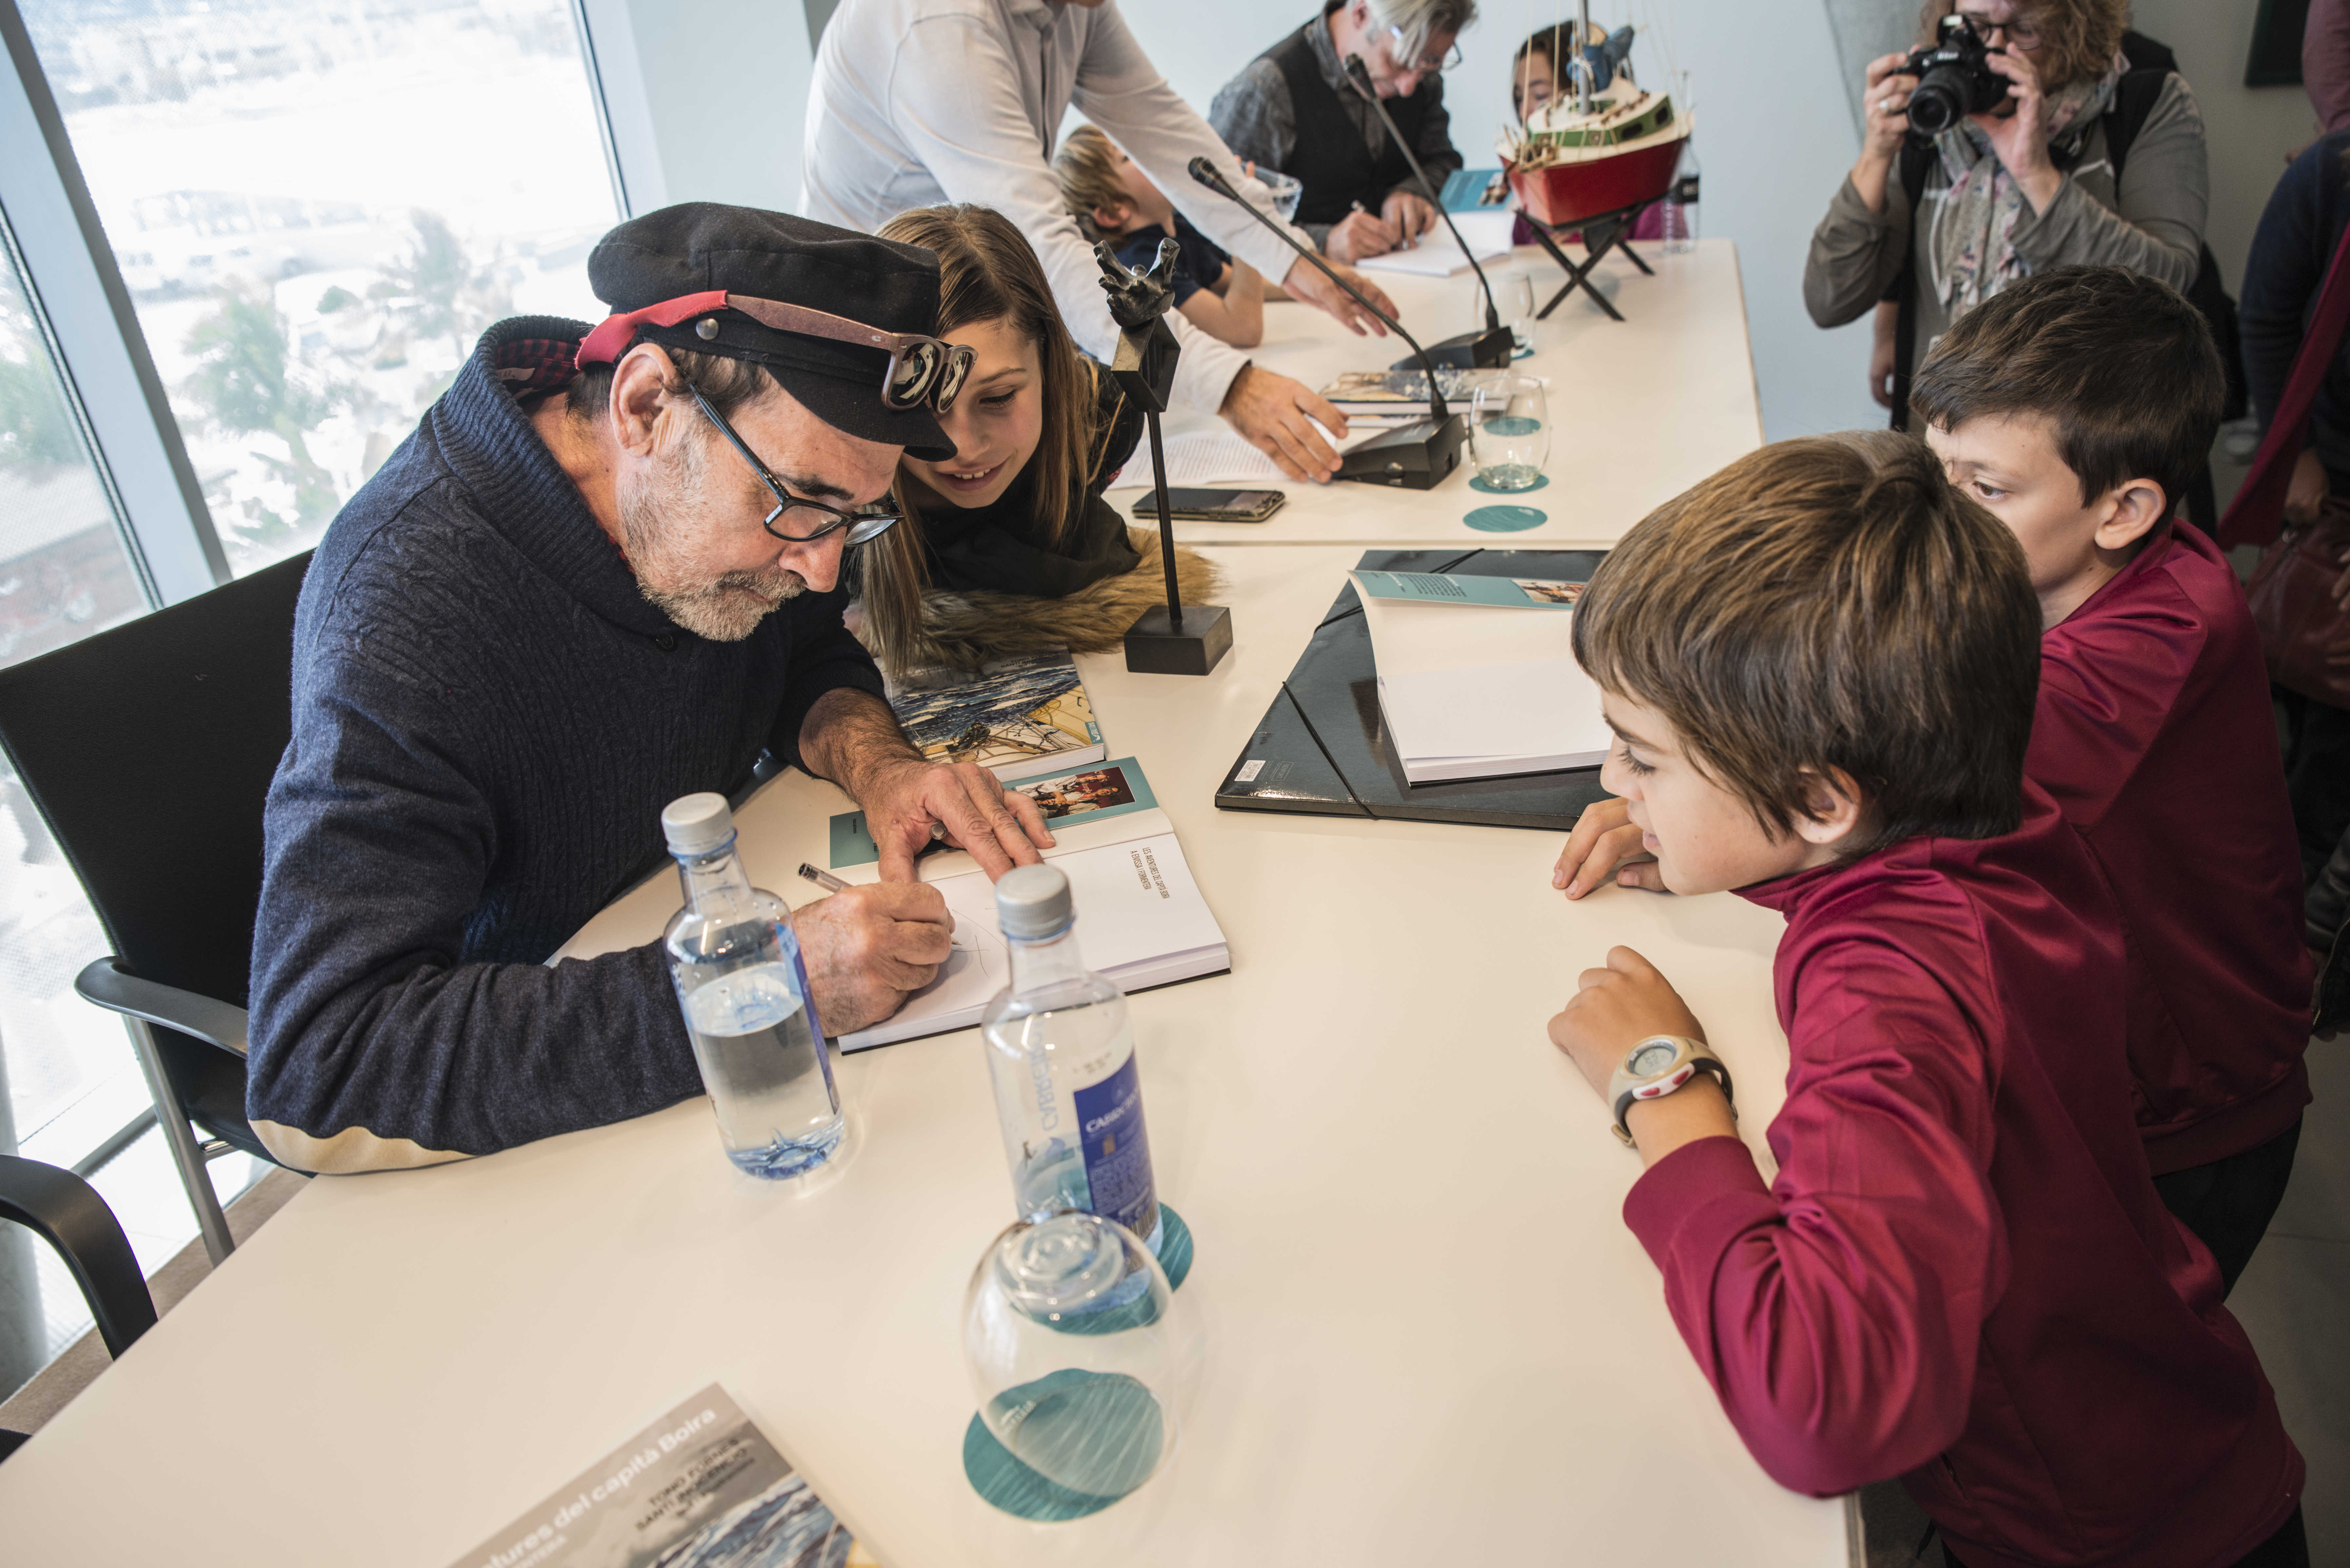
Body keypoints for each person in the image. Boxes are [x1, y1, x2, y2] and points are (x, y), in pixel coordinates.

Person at [1543, 435, 2307, 1568]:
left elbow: (1828, 1408)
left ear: (1820, 800)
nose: (1614, 781)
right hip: (2166, 1433)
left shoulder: (1883, 986)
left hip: (2089, 1532)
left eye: (1642, 758)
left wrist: (1666, 1089)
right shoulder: (1992, 815)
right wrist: (1739, 848)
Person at [245, 204, 1058, 1174]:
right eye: (801, 504)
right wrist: (763, 982)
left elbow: (804, 657)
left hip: (687, 935)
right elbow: (323, 1059)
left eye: (855, 519)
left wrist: (880, 765)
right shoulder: (408, 617)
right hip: (529, 1129)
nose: (820, 571)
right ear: (642, 407)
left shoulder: (713, 492)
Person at [1910, 265, 2310, 1292]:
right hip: (2109, 1073)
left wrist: (1712, 789)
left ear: (2122, 510)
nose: (1937, 516)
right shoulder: (2033, 569)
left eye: (1985, 490)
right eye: (1936, 470)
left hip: (2186, 1123)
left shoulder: (2164, 633)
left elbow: (1917, 780)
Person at [802, 0, 1396, 486]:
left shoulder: (1076, 9)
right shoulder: (936, 22)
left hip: (962, 318)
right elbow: (1041, 250)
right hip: (878, 350)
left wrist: (1296, 259)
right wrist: (1227, 384)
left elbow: (1165, 131)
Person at [854, 203, 1219, 672]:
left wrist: (1147, 333)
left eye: (998, 398)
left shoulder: (1101, 420)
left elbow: (1144, 377)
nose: (963, 446)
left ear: (1050, 365)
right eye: (923, 404)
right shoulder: (833, 499)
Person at [1804, 0, 2208, 423]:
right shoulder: (1937, 118)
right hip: (1942, 440)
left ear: (2074, 30)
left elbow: (2164, 301)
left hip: (2085, 440)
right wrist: (1876, 154)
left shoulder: (2148, 103)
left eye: (2024, 31)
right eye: (1975, 26)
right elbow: (1829, 300)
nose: (1992, 50)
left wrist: (2035, 174)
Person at [2240, 130, 2350, 888]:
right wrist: (2296, 453)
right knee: (2306, 703)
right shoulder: (2327, 176)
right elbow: (2265, 318)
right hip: (2330, 472)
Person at [1210, 0, 1475, 264]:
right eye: (1399, 62)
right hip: (1302, 286)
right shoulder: (1265, 91)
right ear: (1361, 13)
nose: (1408, 88)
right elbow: (1216, 221)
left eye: (1430, 63)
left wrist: (1413, 191)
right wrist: (1322, 243)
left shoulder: (1420, 71)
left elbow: (1442, 161)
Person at [1055, 124, 1267, 349]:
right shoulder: (1142, 267)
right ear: (1113, 212)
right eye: (1129, 156)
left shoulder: (1177, 233)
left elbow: (1241, 285)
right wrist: (1242, 221)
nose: (1151, 155)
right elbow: (1244, 329)